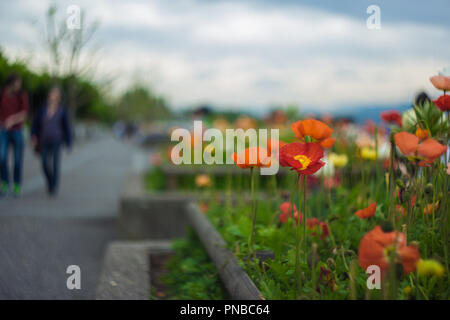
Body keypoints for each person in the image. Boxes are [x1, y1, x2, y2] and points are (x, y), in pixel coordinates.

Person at [31, 86, 72, 196]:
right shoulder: (42, 108)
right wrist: (33, 135)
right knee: (44, 163)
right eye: (52, 93)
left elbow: (67, 127)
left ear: (59, 97)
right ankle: (50, 181)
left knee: (55, 164)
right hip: (43, 139)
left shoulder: (62, 109)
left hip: (57, 140)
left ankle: (53, 186)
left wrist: (68, 143)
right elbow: (35, 123)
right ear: (49, 95)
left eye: (56, 94)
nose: (54, 96)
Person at [0, 73, 29, 197]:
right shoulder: (2, 94)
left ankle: (17, 184)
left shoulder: (21, 95)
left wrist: (12, 119)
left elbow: (24, 113)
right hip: (3, 130)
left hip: (17, 130)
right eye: (18, 82)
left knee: (17, 160)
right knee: (2, 157)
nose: (19, 85)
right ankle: (4, 182)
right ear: (11, 82)